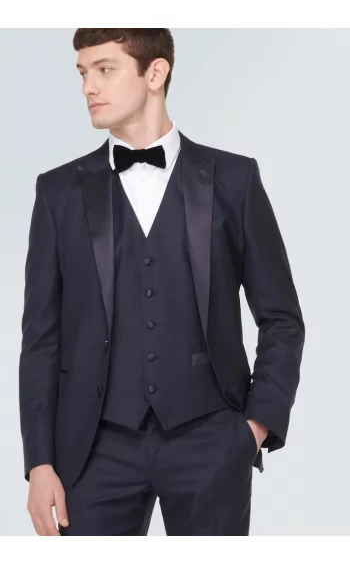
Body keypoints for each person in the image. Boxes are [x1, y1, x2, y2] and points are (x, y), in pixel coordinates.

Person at [19, 28, 305, 536]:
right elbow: (41, 339)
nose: (88, 87)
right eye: (83, 73)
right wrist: (39, 463)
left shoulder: (233, 179)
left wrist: (254, 427)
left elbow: (281, 318)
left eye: (105, 69)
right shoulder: (58, 192)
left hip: (210, 440)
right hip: (92, 450)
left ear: (155, 73)